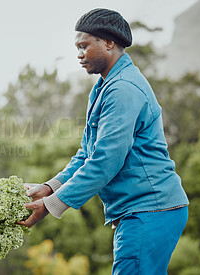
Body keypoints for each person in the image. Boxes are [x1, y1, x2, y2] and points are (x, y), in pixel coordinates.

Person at [17, 8, 189, 274]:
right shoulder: (104, 86)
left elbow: (106, 162)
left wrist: (50, 206)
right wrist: (48, 188)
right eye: (77, 47)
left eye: (84, 45)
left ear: (109, 42)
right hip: (139, 211)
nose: (79, 54)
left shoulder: (123, 89)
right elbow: (87, 153)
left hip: (150, 210)